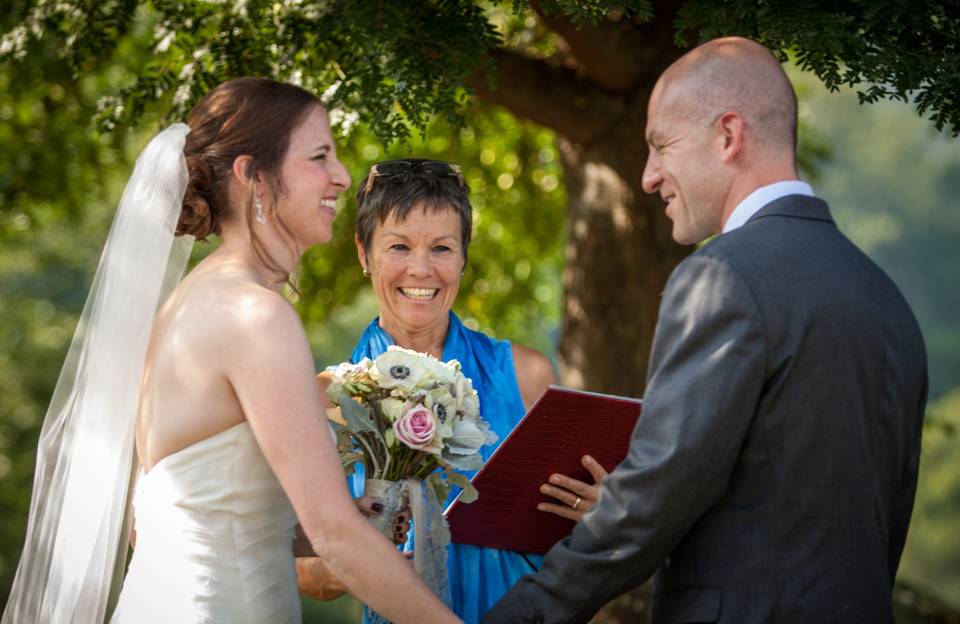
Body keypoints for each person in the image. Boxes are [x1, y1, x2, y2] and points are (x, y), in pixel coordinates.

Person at [484, 37, 928, 624]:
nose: (648, 177)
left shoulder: (722, 277)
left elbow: (652, 504)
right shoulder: (886, 299)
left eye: (661, 146)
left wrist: (514, 618)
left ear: (727, 136)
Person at [3, 78, 458, 624]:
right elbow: (334, 539)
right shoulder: (254, 316)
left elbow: (160, 515)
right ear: (252, 176)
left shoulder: (186, 304)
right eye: (319, 156)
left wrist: (291, 528)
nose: (342, 176)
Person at [298, 158, 557, 623]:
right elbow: (304, 573)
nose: (421, 269)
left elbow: (565, 533)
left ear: (463, 257)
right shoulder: (326, 398)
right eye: (398, 246)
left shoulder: (527, 375)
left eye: (441, 248)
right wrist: (369, 563)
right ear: (363, 253)